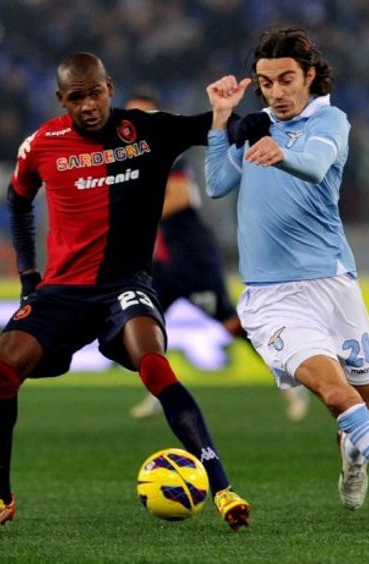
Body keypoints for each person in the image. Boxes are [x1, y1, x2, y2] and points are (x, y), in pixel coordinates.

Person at [0, 52, 250, 540]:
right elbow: (17, 201)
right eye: (77, 97)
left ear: (109, 86)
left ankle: (222, 489)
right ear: (61, 100)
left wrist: (237, 114)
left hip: (125, 286)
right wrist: (29, 275)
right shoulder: (41, 145)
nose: (89, 105)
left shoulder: (147, 131)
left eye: (95, 92)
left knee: (154, 363)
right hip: (62, 293)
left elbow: (217, 128)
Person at [204, 26, 369, 525]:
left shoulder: (330, 120)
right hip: (273, 299)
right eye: (265, 82)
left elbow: (317, 166)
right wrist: (221, 120)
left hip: (334, 285)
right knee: (337, 395)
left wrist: (283, 154)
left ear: (310, 75)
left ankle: (354, 452)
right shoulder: (255, 125)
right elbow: (215, 184)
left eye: (286, 79)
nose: (276, 92)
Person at [124, 90, 310, 422]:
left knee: (230, 324)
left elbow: (180, 198)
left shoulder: (168, 154)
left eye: (148, 115)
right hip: (163, 264)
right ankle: (160, 394)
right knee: (144, 325)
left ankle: (291, 379)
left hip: (193, 259)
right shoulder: (129, 159)